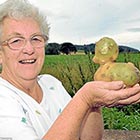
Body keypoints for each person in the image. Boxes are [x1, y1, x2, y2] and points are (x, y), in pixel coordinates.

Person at [0, 0, 140, 140]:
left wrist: (95, 103)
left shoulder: (52, 84)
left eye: (36, 38)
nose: (29, 49)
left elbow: (88, 137)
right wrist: (84, 99)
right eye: (16, 41)